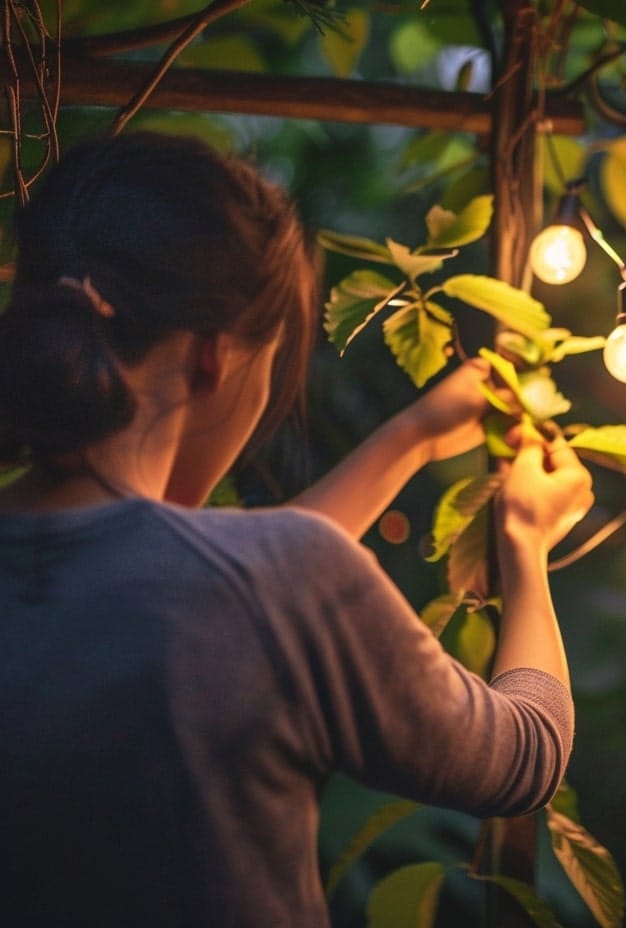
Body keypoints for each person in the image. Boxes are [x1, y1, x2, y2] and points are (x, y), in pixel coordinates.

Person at [0, 131, 594, 927]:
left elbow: (222, 587)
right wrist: (524, 541)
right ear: (214, 359)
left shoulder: (218, 584)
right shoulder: (270, 584)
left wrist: (412, 437)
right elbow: (525, 754)